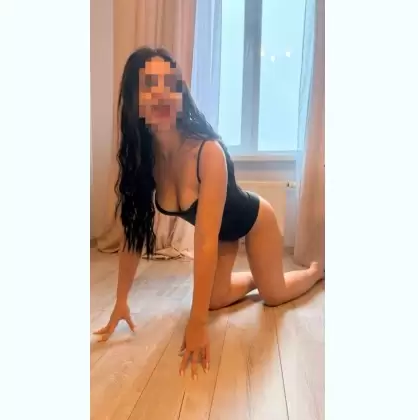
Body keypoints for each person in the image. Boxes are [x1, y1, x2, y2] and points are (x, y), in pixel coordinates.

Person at [94, 47, 324, 378]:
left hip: (254, 221)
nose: (162, 93)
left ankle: (315, 271)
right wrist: (120, 300)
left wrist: (197, 322)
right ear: (134, 99)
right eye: (150, 85)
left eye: (169, 84)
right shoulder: (146, 161)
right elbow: (133, 235)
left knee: (274, 295)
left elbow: (204, 243)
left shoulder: (207, 151)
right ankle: (255, 278)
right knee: (214, 299)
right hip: (219, 233)